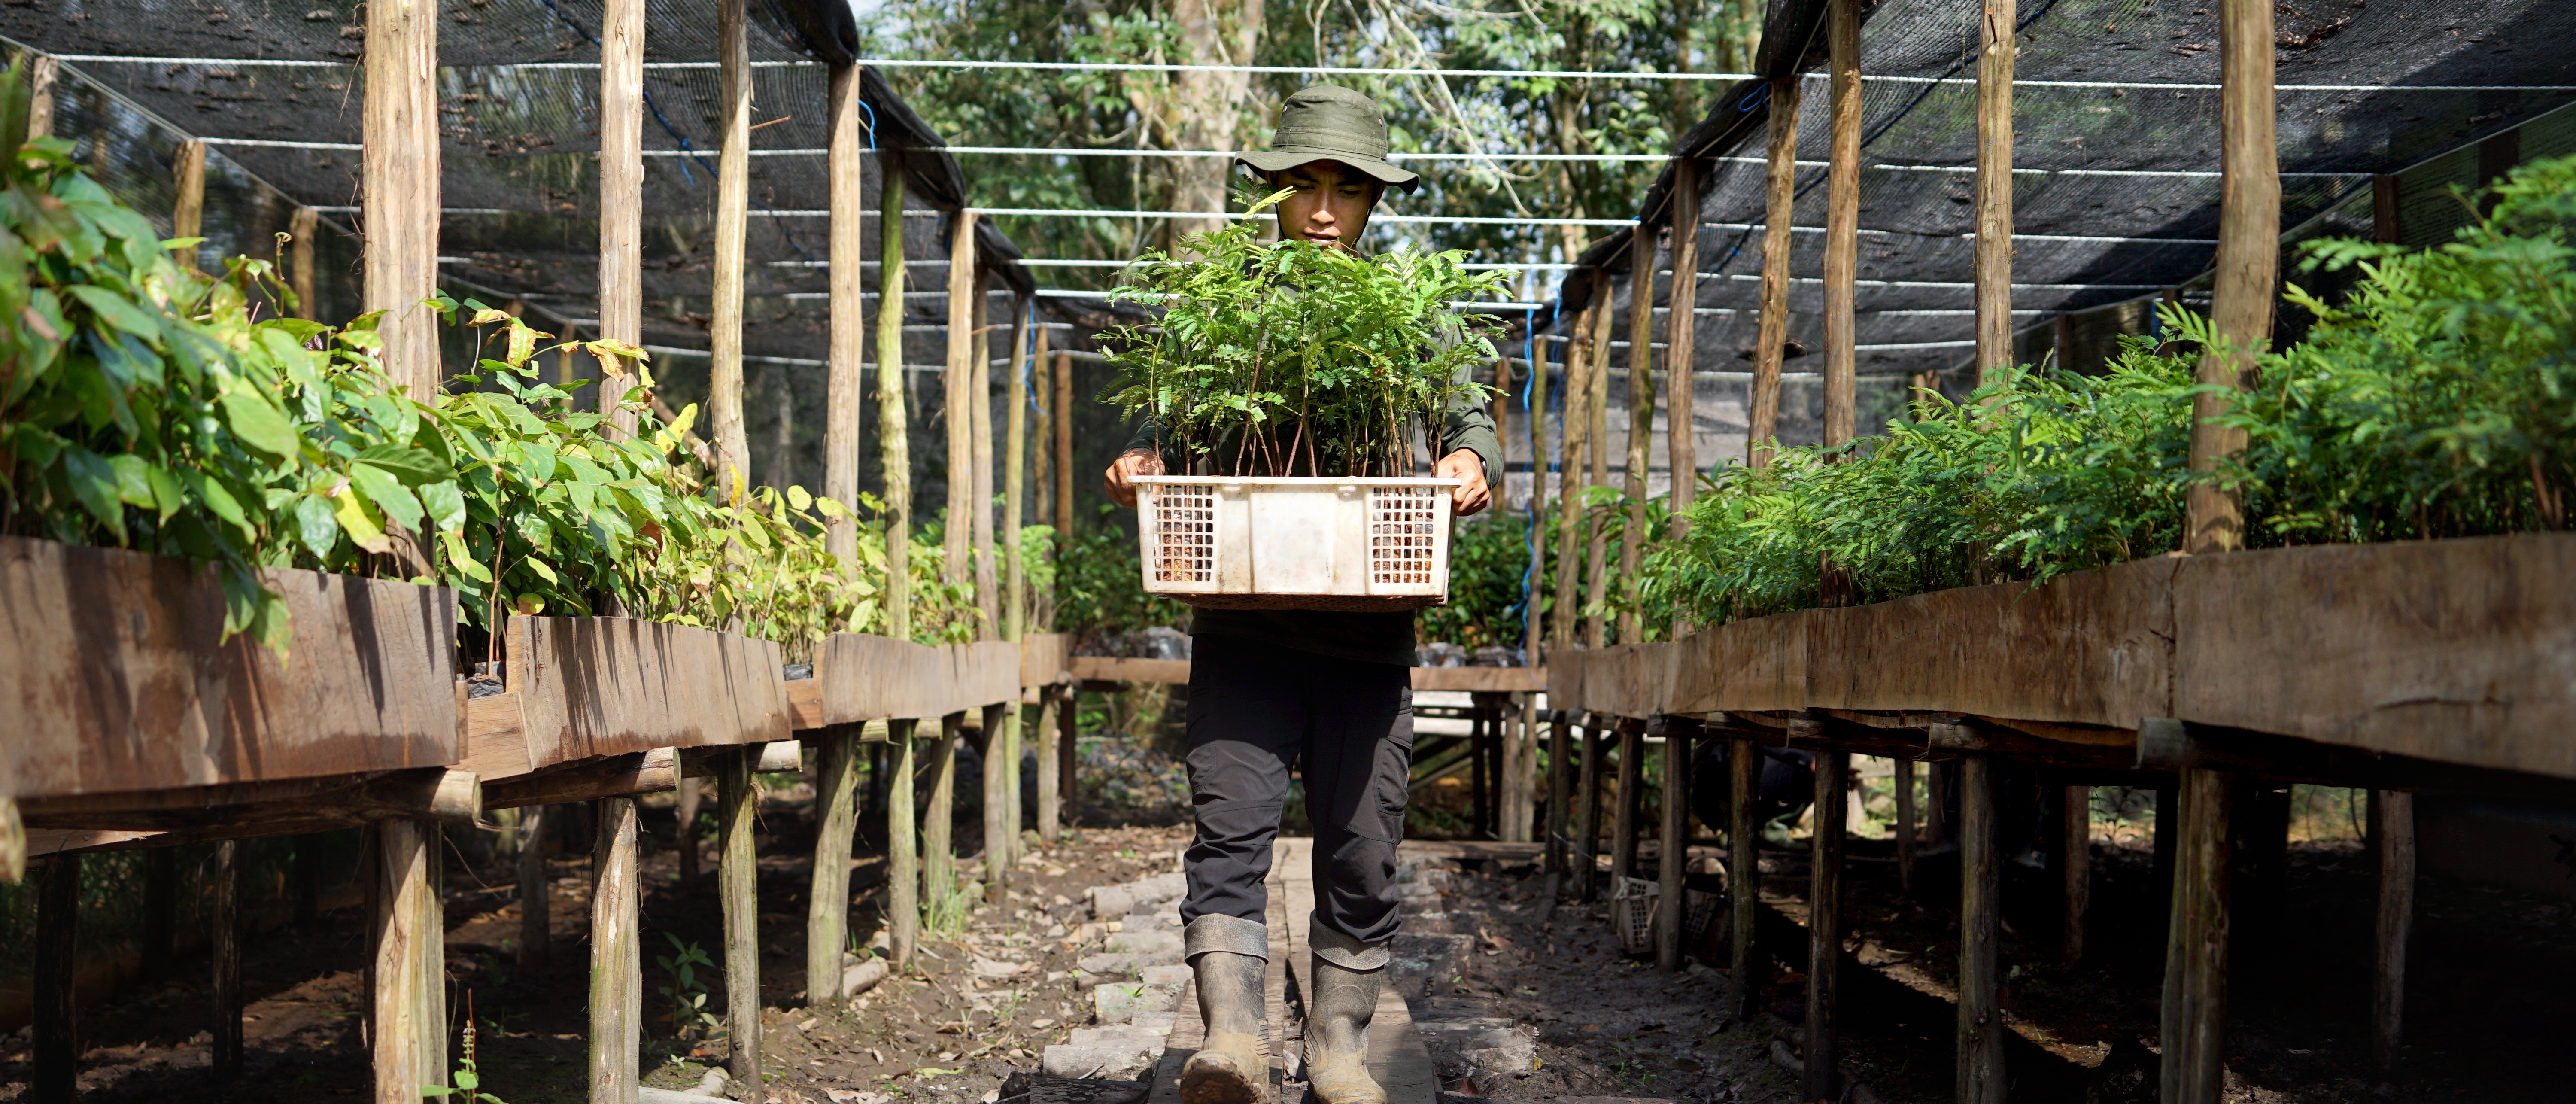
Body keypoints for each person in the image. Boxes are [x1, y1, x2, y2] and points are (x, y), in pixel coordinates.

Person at [1102, 84, 1498, 1104]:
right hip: (1242, 624)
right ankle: (1233, 1037)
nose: (1324, 209)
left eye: (1347, 189)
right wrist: (1145, 457)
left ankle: (1338, 1048)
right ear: (1274, 192)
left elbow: (1471, 414)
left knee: (1364, 848)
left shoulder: (1410, 313)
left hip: (1369, 636)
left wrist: (1467, 459)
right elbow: (1172, 426)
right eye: (1306, 185)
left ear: (1374, 202)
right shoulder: (1223, 306)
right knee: (1229, 830)